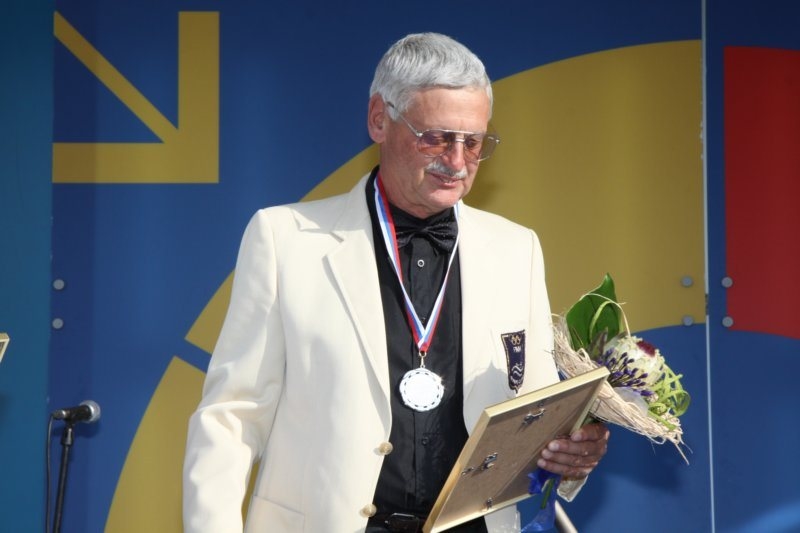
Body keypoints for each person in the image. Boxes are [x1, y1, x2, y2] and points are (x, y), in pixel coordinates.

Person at [183, 32, 609, 533]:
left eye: (473, 143)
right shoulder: (284, 240)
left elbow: (533, 414)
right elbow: (232, 416)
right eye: (436, 137)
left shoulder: (518, 249)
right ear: (379, 120)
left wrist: (570, 454)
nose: (456, 162)